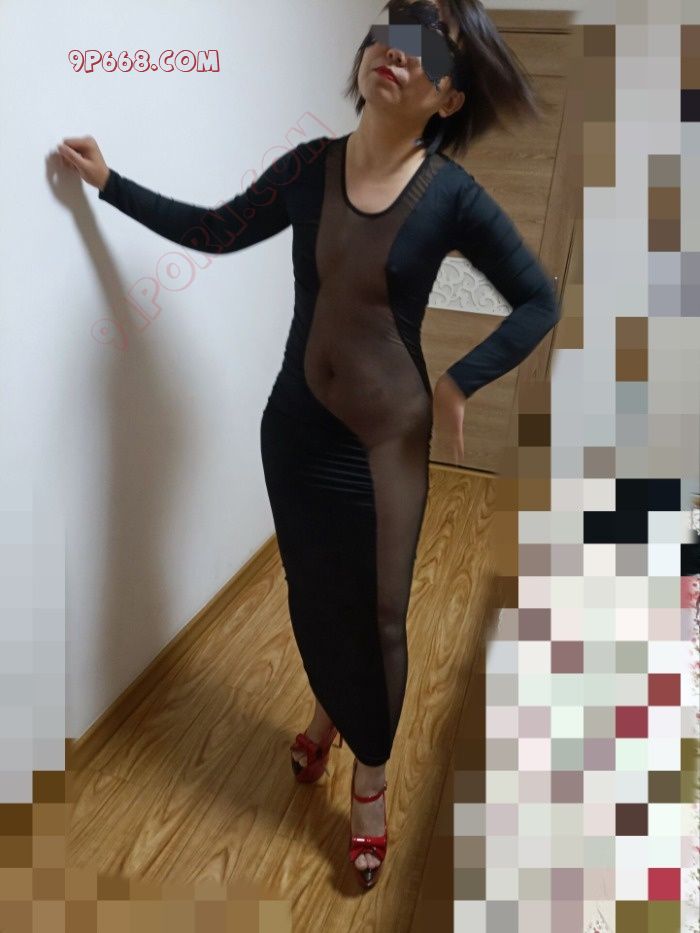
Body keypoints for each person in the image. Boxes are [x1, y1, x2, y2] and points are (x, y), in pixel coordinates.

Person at [57, 0, 559, 890]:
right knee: (315, 594)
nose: (399, 50)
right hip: (292, 431)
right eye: (394, 28)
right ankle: (333, 712)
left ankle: (370, 779)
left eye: (429, 46)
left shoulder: (451, 195)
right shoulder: (307, 168)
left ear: (448, 97)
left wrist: (460, 380)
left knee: (380, 616)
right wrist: (110, 182)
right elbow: (213, 230)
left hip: (384, 446)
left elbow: (538, 300)